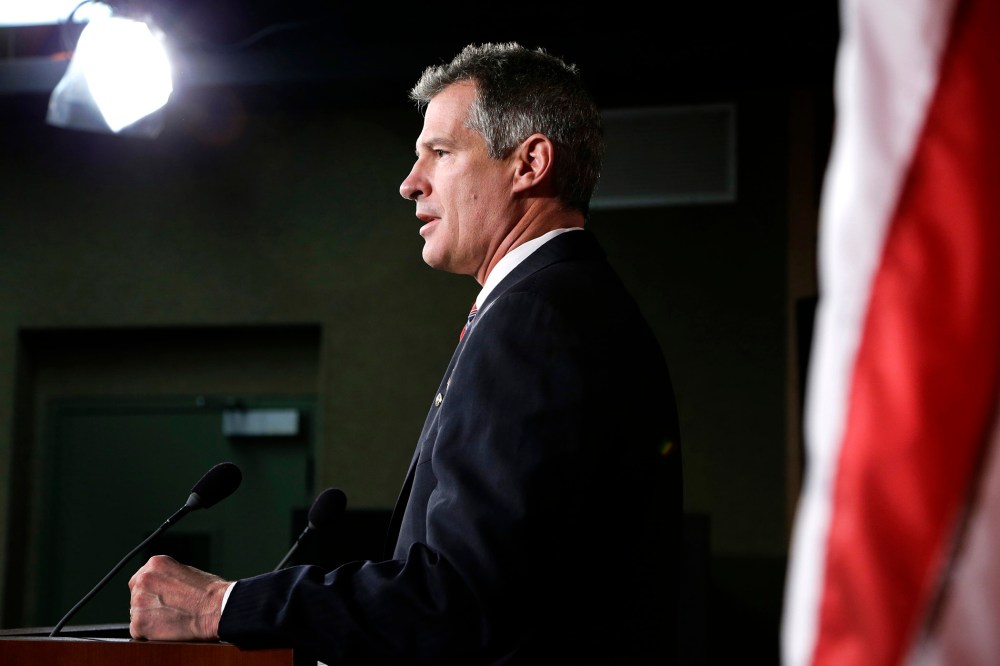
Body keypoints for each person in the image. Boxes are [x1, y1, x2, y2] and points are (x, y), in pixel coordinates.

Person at [128, 41, 683, 665]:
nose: (408, 183)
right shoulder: (568, 303)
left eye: (440, 154)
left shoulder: (537, 318)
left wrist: (223, 606)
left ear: (529, 163)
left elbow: (459, 597)